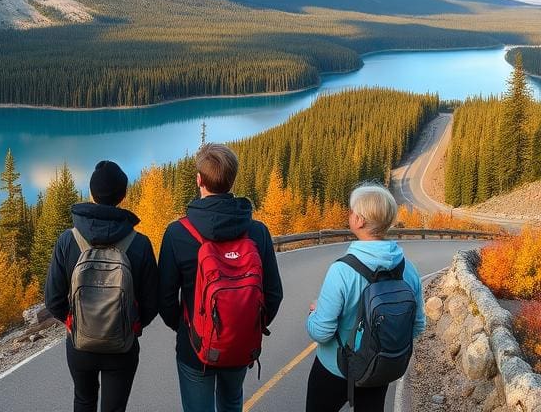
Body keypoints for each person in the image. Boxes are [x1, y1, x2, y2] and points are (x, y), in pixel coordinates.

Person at [159, 143, 284, 412]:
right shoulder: (257, 232)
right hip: (240, 344)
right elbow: (274, 293)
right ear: (232, 179)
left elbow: (165, 297)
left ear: (199, 180)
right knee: (231, 403)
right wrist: (246, 324)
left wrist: (185, 328)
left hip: (195, 346)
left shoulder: (177, 233)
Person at [45, 160, 159, 412]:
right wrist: (133, 325)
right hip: (122, 345)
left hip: (80, 343)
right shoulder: (139, 243)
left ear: (92, 193)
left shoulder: (68, 240)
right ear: (123, 195)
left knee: (84, 401)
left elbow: (52, 299)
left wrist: (71, 321)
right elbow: (153, 302)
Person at [305, 183, 426, 412]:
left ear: (359, 220)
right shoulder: (408, 270)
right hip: (379, 370)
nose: (349, 215)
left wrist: (314, 313)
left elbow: (321, 332)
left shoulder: (341, 271)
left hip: (335, 369)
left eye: (351, 211)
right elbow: (418, 326)